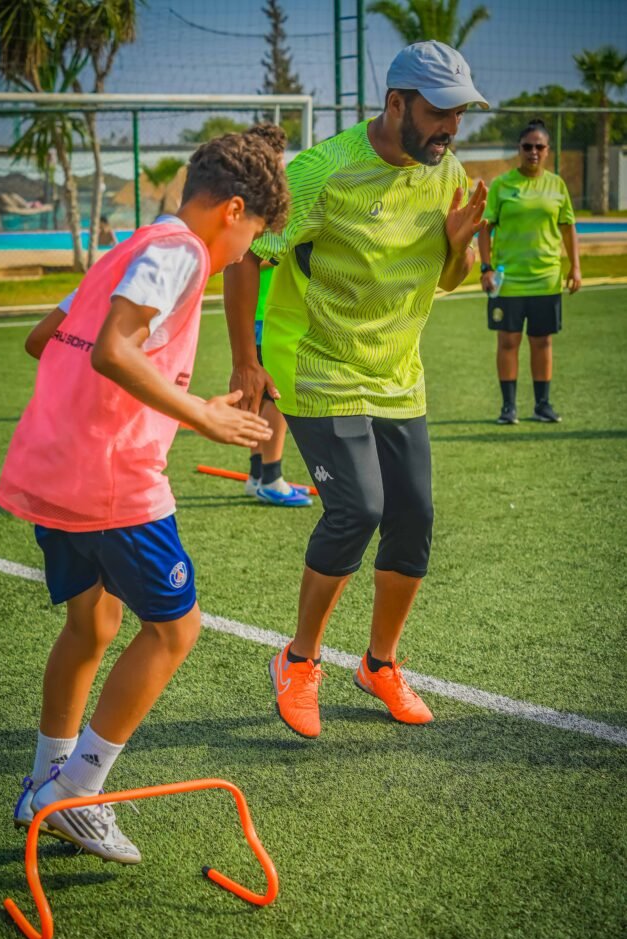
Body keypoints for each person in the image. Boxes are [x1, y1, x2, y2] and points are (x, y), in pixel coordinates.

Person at [0, 132, 289, 863]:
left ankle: (42, 786)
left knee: (91, 628)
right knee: (173, 630)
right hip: (113, 481)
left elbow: (46, 340)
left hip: (51, 468)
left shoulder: (128, 249)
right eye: (252, 235)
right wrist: (204, 416)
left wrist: (167, 397)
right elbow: (114, 351)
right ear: (231, 210)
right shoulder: (183, 253)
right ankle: (76, 792)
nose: (244, 252)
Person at [224, 41, 488, 739]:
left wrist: (458, 246)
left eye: (457, 116)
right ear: (396, 102)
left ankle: (378, 664)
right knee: (357, 508)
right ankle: (299, 659)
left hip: (396, 373)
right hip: (314, 362)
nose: (449, 130)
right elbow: (247, 257)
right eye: (438, 114)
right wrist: (245, 361)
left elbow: (447, 281)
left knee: (414, 516)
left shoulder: (448, 174)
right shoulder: (317, 175)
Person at [478, 118, 581, 425]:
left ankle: (542, 405)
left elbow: (568, 227)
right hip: (507, 281)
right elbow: (485, 229)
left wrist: (575, 266)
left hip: (546, 279)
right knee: (508, 341)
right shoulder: (502, 185)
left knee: (542, 342)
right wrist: (486, 268)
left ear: (548, 150)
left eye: (539, 146)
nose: (533, 151)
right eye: (527, 146)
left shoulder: (557, 185)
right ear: (519, 149)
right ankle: (508, 408)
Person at [242, 123, 312, 508]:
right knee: (276, 397)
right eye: (278, 159)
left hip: (260, 313)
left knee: (262, 396)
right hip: (267, 314)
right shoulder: (265, 203)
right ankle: (271, 477)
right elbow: (254, 256)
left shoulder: (256, 199)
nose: (283, 167)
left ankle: (257, 476)